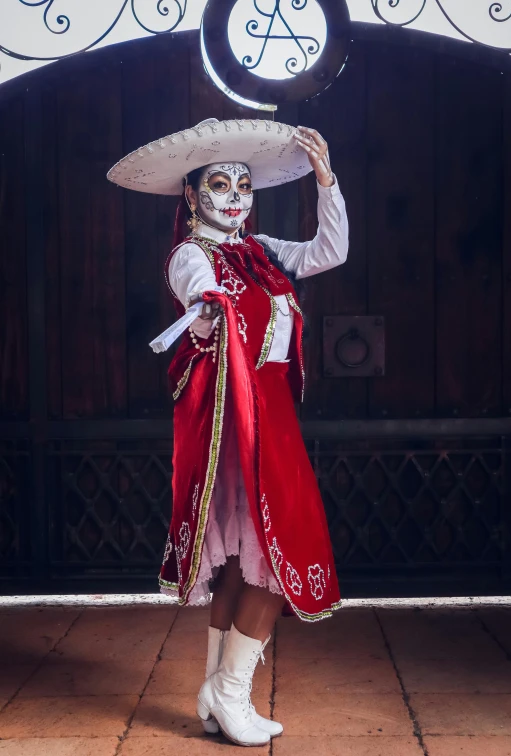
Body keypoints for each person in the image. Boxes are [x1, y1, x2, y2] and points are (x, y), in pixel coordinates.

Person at [107, 117, 349, 747]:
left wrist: (325, 181)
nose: (237, 195)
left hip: (271, 410)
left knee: (248, 559)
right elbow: (199, 296)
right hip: (233, 414)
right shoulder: (192, 255)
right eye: (220, 182)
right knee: (273, 550)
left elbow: (329, 252)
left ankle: (218, 691)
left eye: (245, 183)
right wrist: (210, 304)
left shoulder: (263, 250)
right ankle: (231, 691)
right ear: (191, 195)